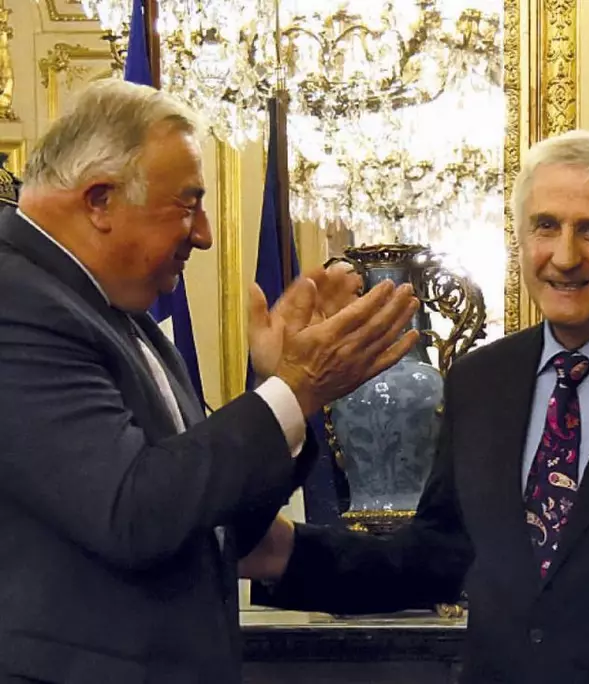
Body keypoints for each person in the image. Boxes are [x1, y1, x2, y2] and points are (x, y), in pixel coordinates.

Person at [241, 129, 589, 683]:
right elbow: (437, 556)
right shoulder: (481, 381)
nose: (565, 256)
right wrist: (285, 553)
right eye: (546, 226)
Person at [0, 78, 421, 684]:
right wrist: (293, 392)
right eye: (187, 204)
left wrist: (280, 390)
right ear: (99, 200)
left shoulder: (122, 313)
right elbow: (131, 514)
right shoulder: (15, 299)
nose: (204, 233)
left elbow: (213, 525)